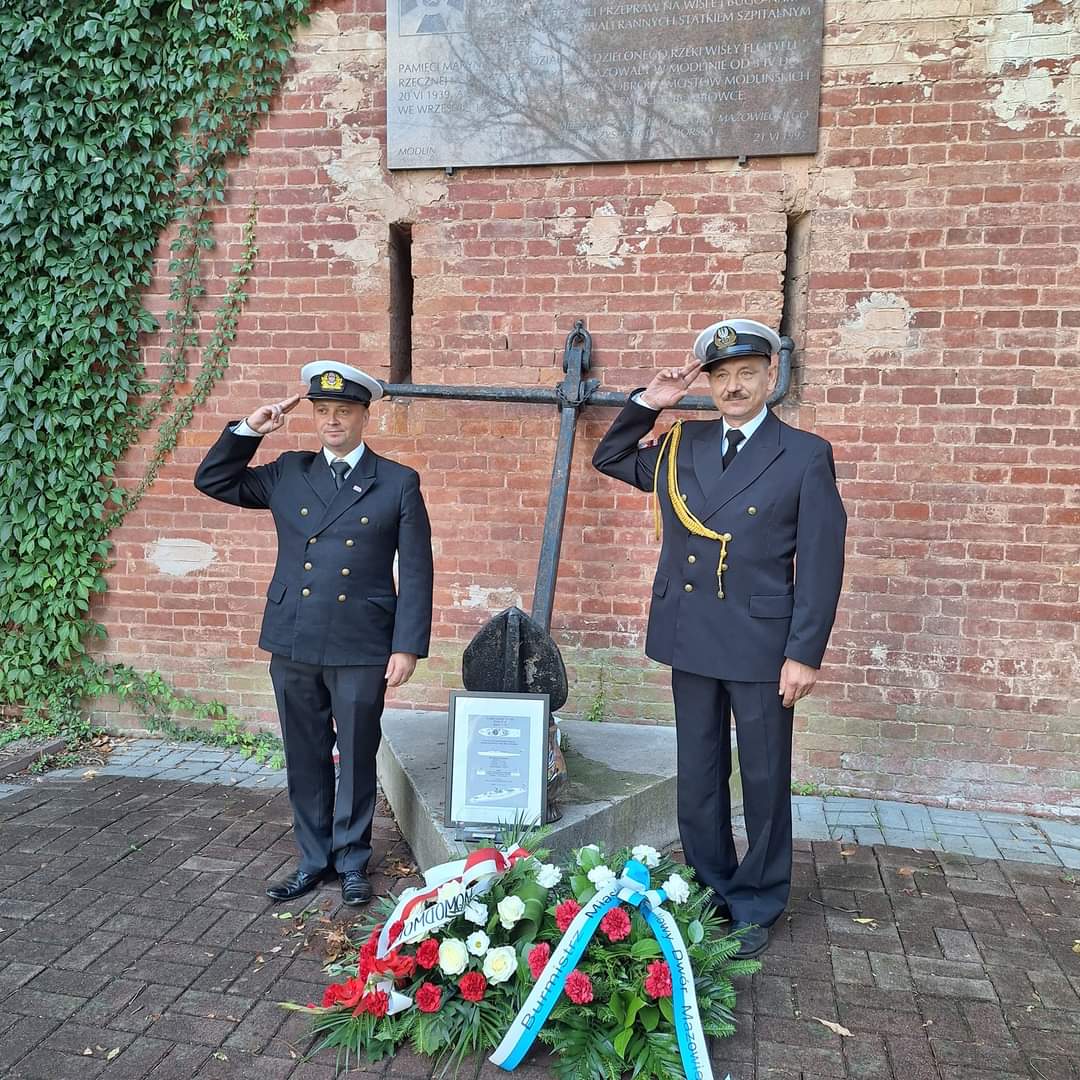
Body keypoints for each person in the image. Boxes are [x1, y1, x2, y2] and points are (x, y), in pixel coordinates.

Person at [592, 320, 846, 957]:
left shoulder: (804, 454)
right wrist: (649, 403)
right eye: (722, 375)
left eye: (747, 374)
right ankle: (710, 887)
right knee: (699, 772)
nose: (733, 386)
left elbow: (821, 562)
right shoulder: (684, 442)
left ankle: (758, 899)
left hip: (762, 642)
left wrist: (803, 653)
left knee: (763, 776)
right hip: (692, 633)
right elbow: (611, 459)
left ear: (770, 377)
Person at [195, 361, 433, 907]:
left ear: (363, 416)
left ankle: (351, 861)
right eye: (323, 411)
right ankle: (313, 860)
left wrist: (406, 646)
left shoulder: (396, 481)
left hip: (361, 641)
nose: (332, 421)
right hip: (294, 636)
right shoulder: (288, 471)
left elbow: (417, 569)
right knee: (304, 754)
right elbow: (214, 480)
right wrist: (250, 429)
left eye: (343, 411)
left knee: (356, 751)